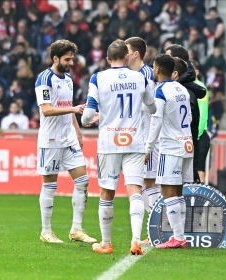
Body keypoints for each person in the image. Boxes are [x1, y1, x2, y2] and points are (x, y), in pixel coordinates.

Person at [81, 39, 156, 255]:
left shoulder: (98, 78)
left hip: (109, 141)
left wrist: (88, 119)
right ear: (126, 57)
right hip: (134, 140)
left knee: (107, 192)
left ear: (107, 59)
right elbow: (151, 107)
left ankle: (106, 243)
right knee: (135, 191)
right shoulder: (139, 77)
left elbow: (87, 114)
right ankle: (135, 240)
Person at [34, 39, 97, 244]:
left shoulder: (69, 79)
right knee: (50, 185)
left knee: (83, 181)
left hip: (68, 137)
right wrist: (73, 109)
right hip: (50, 140)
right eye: (67, 59)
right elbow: (46, 110)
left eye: (72, 58)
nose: (71, 62)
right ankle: (46, 231)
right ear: (55, 58)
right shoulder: (44, 79)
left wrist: (77, 131)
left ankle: (76, 229)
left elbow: (68, 105)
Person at [145, 54, 193, 249]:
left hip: (171, 146)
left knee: (168, 191)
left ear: (157, 69)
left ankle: (179, 237)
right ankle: (179, 236)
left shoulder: (160, 91)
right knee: (178, 192)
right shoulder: (182, 89)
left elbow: (155, 121)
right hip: (186, 144)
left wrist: (148, 148)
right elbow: (188, 118)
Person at [125, 37, 160, 215]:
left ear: (136, 53)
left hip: (148, 137)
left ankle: (155, 227)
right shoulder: (131, 75)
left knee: (150, 181)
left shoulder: (147, 75)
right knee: (140, 182)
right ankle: (154, 226)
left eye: (127, 51)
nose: (124, 54)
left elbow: (153, 107)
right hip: (136, 136)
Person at [165, 44, 206, 182]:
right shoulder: (187, 87)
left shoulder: (182, 90)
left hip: (180, 144)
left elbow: (189, 121)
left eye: (168, 57)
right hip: (185, 143)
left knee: (177, 188)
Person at [190, 59, 210, 183]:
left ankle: (199, 199)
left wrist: (195, 137)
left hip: (198, 136)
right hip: (193, 135)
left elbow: (202, 115)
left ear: (196, 72)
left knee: (198, 171)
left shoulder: (200, 88)